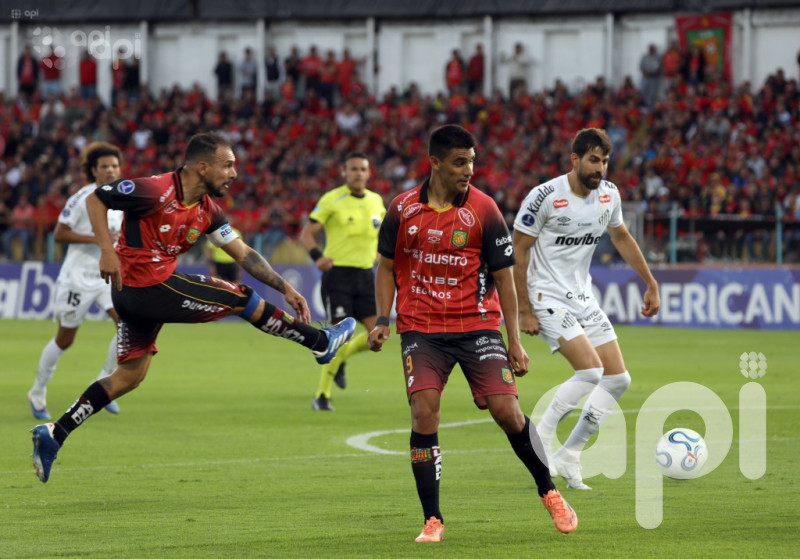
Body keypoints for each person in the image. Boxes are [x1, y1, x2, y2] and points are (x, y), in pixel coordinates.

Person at [30, 132, 356, 484]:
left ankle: (55, 433)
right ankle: (319, 343)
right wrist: (108, 250)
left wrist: (286, 286)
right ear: (203, 167)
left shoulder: (208, 210)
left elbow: (244, 253)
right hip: (145, 287)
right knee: (241, 298)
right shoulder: (154, 190)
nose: (234, 173)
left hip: (140, 295)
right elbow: (96, 200)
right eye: (227, 165)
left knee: (129, 376)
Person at [368, 124, 577, 542]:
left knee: (508, 413)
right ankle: (433, 519)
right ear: (435, 163)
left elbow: (504, 277)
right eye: (460, 162)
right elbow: (387, 267)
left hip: (477, 324)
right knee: (423, 412)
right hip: (421, 328)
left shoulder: (484, 210)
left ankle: (550, 491)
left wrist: (514, 339)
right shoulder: (402, 209)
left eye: (472, 161)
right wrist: (381, 319)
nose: (469, 170)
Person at [512, 128, 660, 491]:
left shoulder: (609, 196)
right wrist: (524, 311)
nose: (601, 169)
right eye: (594, 160)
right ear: (575, 160)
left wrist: (650, 283)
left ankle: (570, 453)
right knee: (591, 370)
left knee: (618, 379)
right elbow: (517, 251)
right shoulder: (545, 196)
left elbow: (622, 236)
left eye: (605, 161)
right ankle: (541, 438)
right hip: (545, 296)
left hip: (582, 297)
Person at [27, 142, 125, 420]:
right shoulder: (82, 198)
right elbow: (59, 233)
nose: (110, 170)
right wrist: (99, 240)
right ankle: (37, 391)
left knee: (126, 324)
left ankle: (104, 385)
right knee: (65, 339)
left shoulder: (121, 198)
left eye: (114, 166)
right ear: (93, 170)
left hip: (107, 276)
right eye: (104, 166)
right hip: (78, 278)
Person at [300, 152, 386, 411]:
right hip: (338, 277)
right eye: (353, 169)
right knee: (340, 338)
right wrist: (318, 257)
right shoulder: (332, 199)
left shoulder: (376, 201)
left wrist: (381, 259)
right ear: (344, 172)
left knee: (377, 338)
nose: (358, 173)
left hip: (364, 277)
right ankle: (321, 396)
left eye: (362, 169)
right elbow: (307, 233)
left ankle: (340, 360)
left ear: (368, 173)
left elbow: (381, 237)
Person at [639, 44, 662, 109]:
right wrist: (644, 71)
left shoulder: (658, 57)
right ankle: (645, 105)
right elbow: (641, 66)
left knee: (653, 93)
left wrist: (651, 72)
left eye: (652, 49)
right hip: (645, 77)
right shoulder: (645, 57)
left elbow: (659, 69)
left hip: (654, 78)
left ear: (654, 50)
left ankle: (652, 107)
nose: (651, 51)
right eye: (650, 49)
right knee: (643, 90)